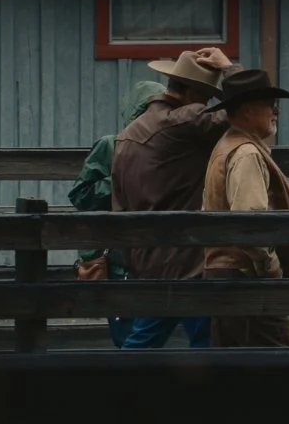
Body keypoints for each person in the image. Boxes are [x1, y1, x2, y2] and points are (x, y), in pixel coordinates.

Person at [110, 47, 243, 348]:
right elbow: (247, 110)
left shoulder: (129, 133)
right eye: (206, 96)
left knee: (147, 337)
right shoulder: (185, 119)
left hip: (147, 257)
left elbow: (119, 199)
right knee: (206, 339)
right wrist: (228, 68)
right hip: (186, 259)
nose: (208, 103)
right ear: (189, 92)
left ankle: (117, 388)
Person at [200, 68, 289, 347]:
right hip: (246, 278)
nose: (275, 111)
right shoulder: (246, 153)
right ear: (248, 110)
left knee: (237, 369)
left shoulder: (226, 146)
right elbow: (250, 226)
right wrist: (271, 268)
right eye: (269, 105)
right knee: (282, 365)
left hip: (225, 275)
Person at [67, 79, 167, 348]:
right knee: (128, 339)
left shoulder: (170, 148)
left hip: (160, 262)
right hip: (121, 263)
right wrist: (122, 182)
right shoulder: (111, 146)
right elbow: (81, 195)